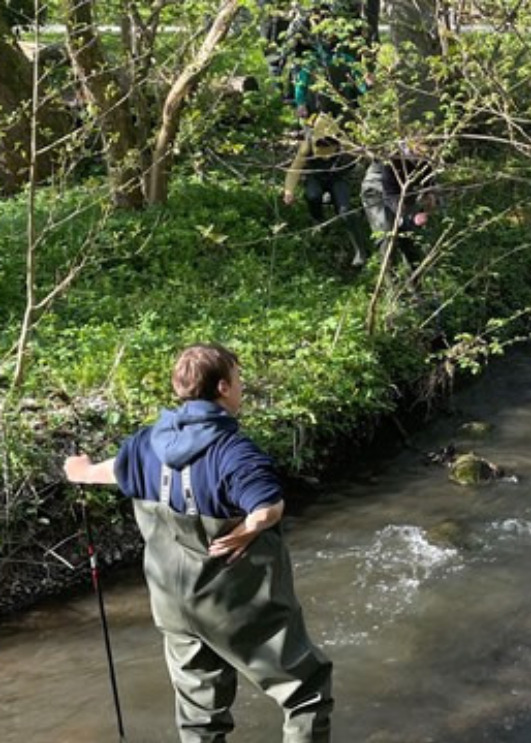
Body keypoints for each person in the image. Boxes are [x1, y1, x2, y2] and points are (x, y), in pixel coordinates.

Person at [62, 343, 333, 742]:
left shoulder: (145, 443)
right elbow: (268, 505)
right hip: (234, 604)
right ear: (223, 387)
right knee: (305, 691)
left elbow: (108, 472)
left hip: (172, 604)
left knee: (199, 710)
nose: (242, 388)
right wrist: (250, 529)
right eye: (239, 380)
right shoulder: (235, 452)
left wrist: (79, 470)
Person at [283, 112, 369, 265]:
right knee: (313, 195)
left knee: (345, 211)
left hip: (336, 177)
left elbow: (358, 152)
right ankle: (318, 221)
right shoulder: (307, 146)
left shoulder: (342, 140)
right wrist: (288, 191)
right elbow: (294, 169)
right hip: (315, 176)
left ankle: (360, 250)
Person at [361, 137, 436, 267]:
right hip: (377, 191)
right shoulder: (392, 156)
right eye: (422, 148)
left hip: (404, 189)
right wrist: (403, 215)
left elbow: (428, 184)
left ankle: (416, 283)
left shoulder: (425, 159)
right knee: (387, 237)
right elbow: (389, 192)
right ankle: (391, 283)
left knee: (410, 238)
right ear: (413, 144)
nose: (426, 153)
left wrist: (428, 199)